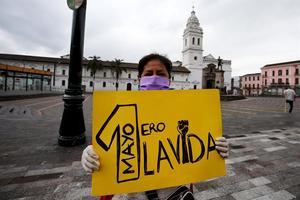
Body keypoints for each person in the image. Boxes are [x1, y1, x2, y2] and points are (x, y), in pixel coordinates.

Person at [81, 53, 229, 200]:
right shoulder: (120, 110)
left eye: (160, 74)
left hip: (173, 193)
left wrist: (215, 148)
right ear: (139, 79)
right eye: (148, 73)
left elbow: (195, 149)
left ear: (169, 80)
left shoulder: (184, 112)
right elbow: (104, 146)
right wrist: (91, 154)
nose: (154, 78)